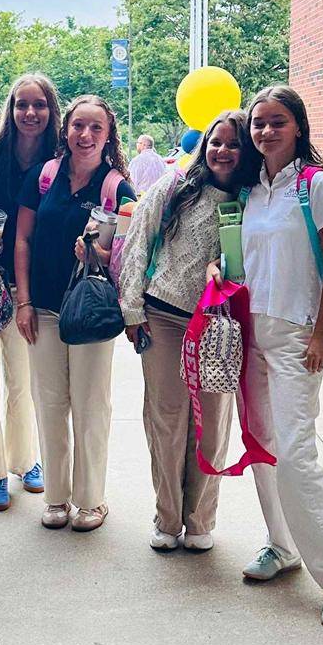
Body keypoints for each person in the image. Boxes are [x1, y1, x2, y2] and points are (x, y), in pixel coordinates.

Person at [209, 85, 323, 629]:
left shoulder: (317, 186)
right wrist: (219, 277)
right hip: (253, 334)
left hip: (298, 336)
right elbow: (246, 261)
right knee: (264, 448)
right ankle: (281, 544)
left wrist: (322, 334)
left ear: (298, 126)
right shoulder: (251, 192)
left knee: (297, 455)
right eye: (259, 123)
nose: (266, 131)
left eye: (277, 122)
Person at [120, 111, 261, 552]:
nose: (222, 151)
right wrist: (132, 308)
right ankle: (167, 518)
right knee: (166, 420)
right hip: (162, 318)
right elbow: (138, 240)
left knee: (213, 424)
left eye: (233, 144)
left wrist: (226, 272)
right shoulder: (176, 186)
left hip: (219, 324)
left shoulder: (254, 199)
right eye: (216, 141)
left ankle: (200, 521)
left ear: (246, 153)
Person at [15, 94, 135, 532]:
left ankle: (90, 500)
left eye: (95, 128)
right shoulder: (42, 177)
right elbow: (22, 240)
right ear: (65, 129)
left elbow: (126, 251)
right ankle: (57, 498)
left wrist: (98, 251)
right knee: (49, 403)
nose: (85, 135)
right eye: (78, 126)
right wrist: (23, 301)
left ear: (108, 135)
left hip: (89, 312)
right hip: (43, 308)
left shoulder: (117, 188)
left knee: (90, 406)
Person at [0, 74, 60, 512]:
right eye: (22, 104)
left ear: (51, 109)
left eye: (39, 104)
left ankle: (25, 461)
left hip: (30, 285)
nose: (30, 113)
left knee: (23, 380)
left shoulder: (60, 158)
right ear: (10, 108)